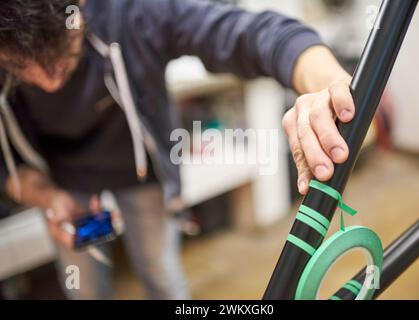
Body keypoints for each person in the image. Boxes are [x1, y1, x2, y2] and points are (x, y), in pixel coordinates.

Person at [0, 0, 355, 299]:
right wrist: (48, 198)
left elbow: (252, 34)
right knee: (83, 286)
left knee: (161, 273)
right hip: (62, 180)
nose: (48, 82)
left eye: (61, 58)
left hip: (143, 173)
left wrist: (327, 85)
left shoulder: (136, 12)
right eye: (19, 67)